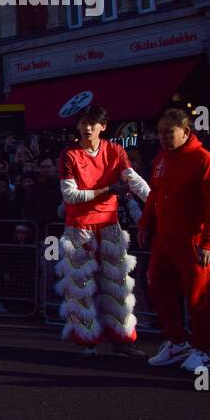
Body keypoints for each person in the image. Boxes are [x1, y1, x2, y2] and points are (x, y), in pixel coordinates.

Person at [53, 107, 151, 355]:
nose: (88, 128)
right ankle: (87, 341)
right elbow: (70, 196)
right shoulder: (69, 154)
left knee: (118, 285)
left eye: (93, 123)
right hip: (79, 227)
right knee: (80, 287)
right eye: (84, 123)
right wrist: (107, 190)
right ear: (77, 126)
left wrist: (156, 202)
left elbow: (133, 180)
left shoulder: (115, 150)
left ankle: (122, 340)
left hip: (109, 225)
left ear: (103, 127)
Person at [140, 108, 210, 373]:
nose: (163, 137)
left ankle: (201, 350)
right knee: (157, 287)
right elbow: (154, 195)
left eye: (169, 132)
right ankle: (177, 342)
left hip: (193, 240)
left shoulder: (205, 161)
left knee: (198, 296)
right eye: (160, 132)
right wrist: (145, 224)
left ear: (186, 132)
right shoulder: (160, 160)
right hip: (164, 239)